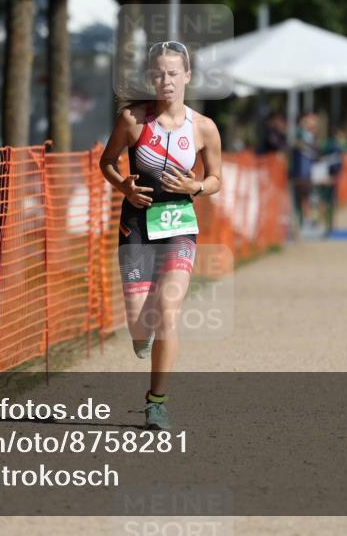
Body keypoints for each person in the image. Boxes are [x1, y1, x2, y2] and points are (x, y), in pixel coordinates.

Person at [99, 40, 222, 431]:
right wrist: (125, 188)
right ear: (150, 77)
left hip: (179, 226)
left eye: (173, 73)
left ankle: (157, 403)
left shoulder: (203, 127)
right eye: (158, 74)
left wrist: (196, 187)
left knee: (167, 312)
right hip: (136, 225)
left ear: (187, 75)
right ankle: (143, 329)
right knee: (139, 327)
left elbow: (217, 179)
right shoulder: (133, 121)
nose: (165, 81)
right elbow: (106, 163)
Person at [291, 112, 319, 234]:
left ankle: (307, 220)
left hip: (307, 172)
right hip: (301, 174)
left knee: (308, 197)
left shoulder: (310, 136)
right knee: (303, 196)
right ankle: (304, 221)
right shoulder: (301, 134)